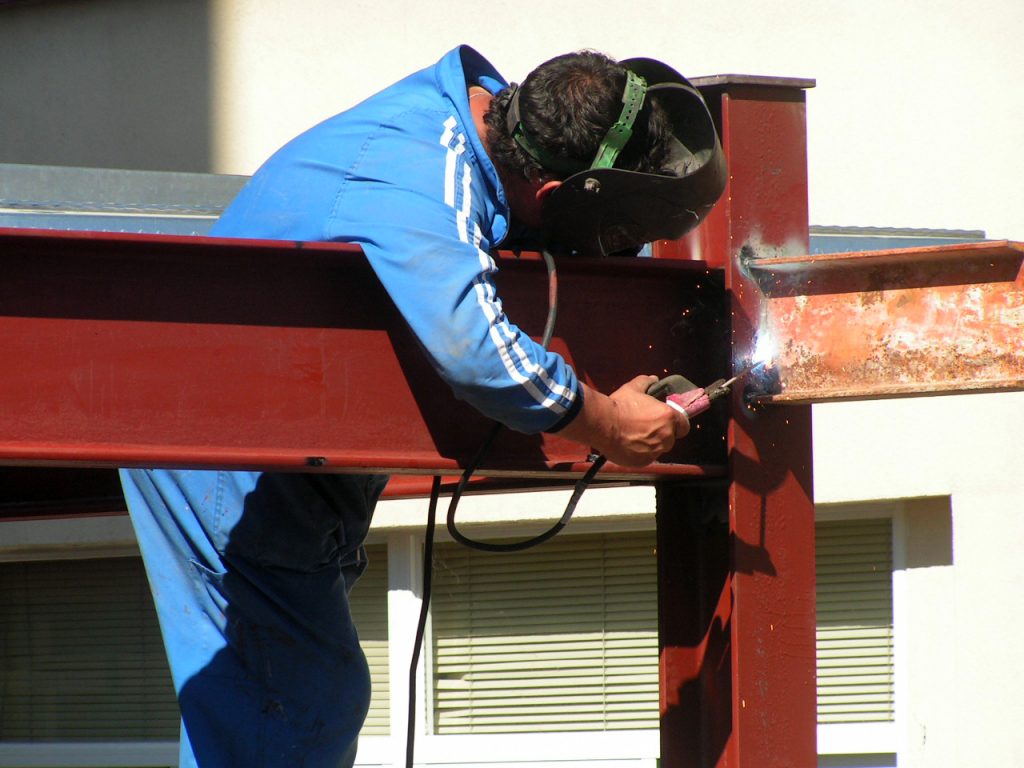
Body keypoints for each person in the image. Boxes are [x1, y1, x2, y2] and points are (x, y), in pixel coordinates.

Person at [120, 45, 723, 768]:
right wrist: (606, 422)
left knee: (271, 709)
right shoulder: (418, 175)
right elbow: (474, 349)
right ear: (555, 191)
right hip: (231, 459)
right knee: (300, 704)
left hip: (289, 467)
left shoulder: (483, 127)